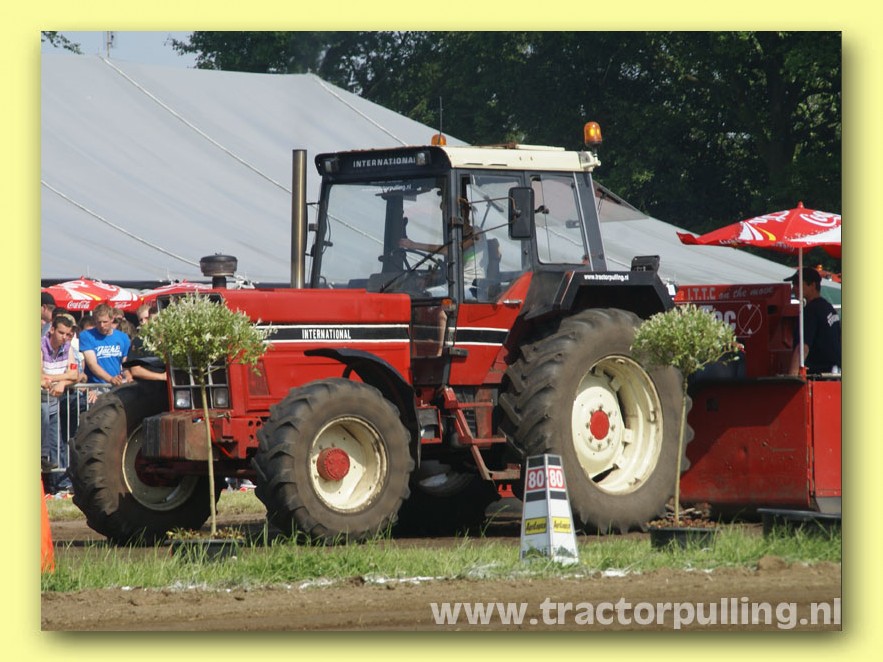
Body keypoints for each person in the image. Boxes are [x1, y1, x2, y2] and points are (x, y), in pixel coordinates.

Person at [41, 313, 78, 493]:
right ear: (52, 330)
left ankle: (59, 485)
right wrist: (63, 377)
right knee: (43, 445)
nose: (64, 337)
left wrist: (60, 382)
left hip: (53, 401)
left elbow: (75, 375)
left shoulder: (68, 347)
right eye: (61, 333)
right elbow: (38, 375)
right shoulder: (40, 346)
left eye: (67, 334)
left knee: (56, 444)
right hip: (40, 401)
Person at [786, 267, 841, 375]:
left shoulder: (810, 311)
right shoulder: (829, 308)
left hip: (818, 375)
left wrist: (791, 378)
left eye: (797, 284)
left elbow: (802, 347)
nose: (793, 288)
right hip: (835, 374)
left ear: (813, 285)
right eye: (793, 284)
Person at [79, 302, 132, 385]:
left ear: (112, 319)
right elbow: (92, 364)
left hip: (116, 384)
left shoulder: (123, 337)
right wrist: (110, 379)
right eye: (99, 322)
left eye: (105, 322)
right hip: (96, 386)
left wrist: (128, 377)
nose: (102, 325)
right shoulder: (86, 335)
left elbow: (125, 364)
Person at [124, 304, 167, 381]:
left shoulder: (168, 340)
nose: (143, 322)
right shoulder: (138, 341)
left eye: (146, 318)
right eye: (141, 320)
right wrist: (162, 377)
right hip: (147, 386)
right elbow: (135, 370)